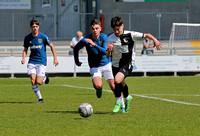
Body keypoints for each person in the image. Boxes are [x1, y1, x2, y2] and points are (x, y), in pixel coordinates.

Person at [106, 16, 162, 113]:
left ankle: (117, 102)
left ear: (122, 26)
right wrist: (109, 50)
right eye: (114, 30)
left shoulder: (130, 34)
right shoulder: (110, 38)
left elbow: (147, 35)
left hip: (128, 63)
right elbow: (107, 56)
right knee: (121, 82)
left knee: (117, 80)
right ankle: (127, 98)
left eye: (118, 29)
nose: (116, 32)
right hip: (115, 65)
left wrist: (156, 40)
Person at [73, 19, 126, 112]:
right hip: (95, 66)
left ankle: (122, 105)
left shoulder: (104, 37)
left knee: (114, 87)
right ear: (90, 29)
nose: (95, 30)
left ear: (100, 28)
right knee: (97, 85)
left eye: (97, 28)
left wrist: (93, 44)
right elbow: (76, 48)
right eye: (93, 28)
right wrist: (77, 60)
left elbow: (104, 51)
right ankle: (99, 89)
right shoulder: (86, 39)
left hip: (107, 65)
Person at [21, 19, 59, 103]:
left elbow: (52, 46)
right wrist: (23, 58)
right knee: (32, 80)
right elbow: (25, 49)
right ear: (30, 27)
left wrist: (55, 58)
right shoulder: (27, 38)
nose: (35, 28)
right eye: (33, 26)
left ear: (38, 27)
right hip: (32, 62)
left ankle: (45, 78)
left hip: (41, 62)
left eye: (36, 26)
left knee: (39, 82)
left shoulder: (43, 37)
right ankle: (40, 99)